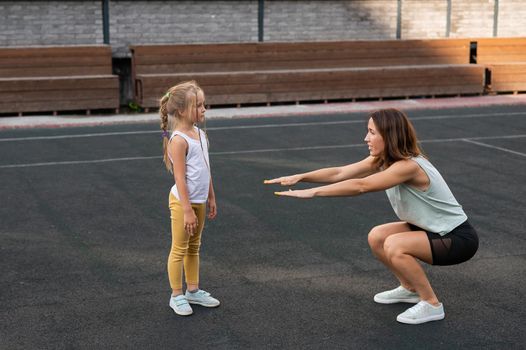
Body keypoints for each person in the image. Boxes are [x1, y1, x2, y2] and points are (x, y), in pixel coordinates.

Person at [264, 108, 478, 325]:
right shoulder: (381, 160)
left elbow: (361, 186)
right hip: (431, 229)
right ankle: (410, 289)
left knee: (395, 244)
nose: (366, 138)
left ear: (390, 135)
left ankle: (432, 304)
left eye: (372, 132)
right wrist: (302, 177)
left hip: (457, 239)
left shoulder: (409, 166)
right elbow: (340, 173)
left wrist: (313, 192)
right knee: (377, 236)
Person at [159, 80, 220, 316]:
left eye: (204, 105)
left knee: (194, 247)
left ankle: (192, 291)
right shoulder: (178, 140)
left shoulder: (201, 134)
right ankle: (176, 295)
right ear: (182, 111)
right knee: (179, 249)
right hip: (182, 202)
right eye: (199, 105)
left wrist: (211, 197)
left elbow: (206, 169)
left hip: (199, 201)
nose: (204, 109)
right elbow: (180, 179)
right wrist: (186, 209)